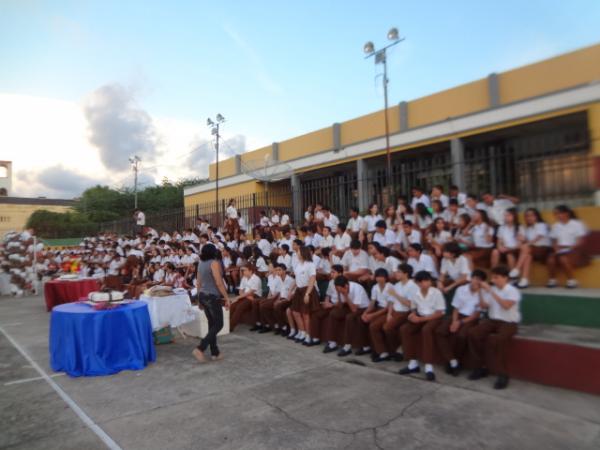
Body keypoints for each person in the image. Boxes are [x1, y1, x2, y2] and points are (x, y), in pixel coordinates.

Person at [468, 265, 521, 390]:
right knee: (473, 333)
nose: (493, 280)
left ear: (505, 278)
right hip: (492, 321)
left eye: (496, 277)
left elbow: (506, 306)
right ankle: (480, 367)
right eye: (493, 277)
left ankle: (503, 374)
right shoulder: (492, 289)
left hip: (509, 322)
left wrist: (490, 291)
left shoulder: (512, 290)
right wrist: (480, 290)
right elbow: (484, 306)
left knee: (498, 340)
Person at [435, 270, 485, 376]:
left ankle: (455, 361)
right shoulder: (461, 289)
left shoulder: (483, 293)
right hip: (457, 315)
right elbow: (456, 308)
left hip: (470, 319)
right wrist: (454, 321)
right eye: (474, 278)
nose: (475, 281)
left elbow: (476, 315)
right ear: (471, 278)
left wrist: (460, 322)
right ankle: (452, 361)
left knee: (462, 336)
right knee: (440, 331)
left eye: (479, 280)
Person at [398, 271, 446, 381]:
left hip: (435, 318)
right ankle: (413, 363)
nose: (426, 283)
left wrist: (421, 319)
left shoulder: (436, 292)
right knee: (405, 329)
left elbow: (440, 312)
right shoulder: (416, 293)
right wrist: (413, 314)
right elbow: (414, 307)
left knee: (426, 330)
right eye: (423, 281)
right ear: (418, 283)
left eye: (428, 280)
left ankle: (429, 366)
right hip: (421, 316)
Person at [192, 244, 230, 363]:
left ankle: (215, 352)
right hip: (212, 296)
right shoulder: (214, 263)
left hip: (203, 295)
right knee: (218, 324)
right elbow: (219, 282)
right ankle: (201, 348)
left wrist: (198, 298)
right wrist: (226, 297)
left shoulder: (200, 263)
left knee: (212, 324)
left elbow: (198, 282)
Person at [547, 205, 589, 288]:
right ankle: (552, 280)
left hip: (575, 250)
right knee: (550, 259)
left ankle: (572, 281)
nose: (558, 216)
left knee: (563, 258)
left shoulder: (577, 224)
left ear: (567, 213)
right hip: (561, 250)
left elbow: (580, 240)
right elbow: (554, 240)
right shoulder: (555, 226)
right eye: (556, 214)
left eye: (560, 213)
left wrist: (571, 247)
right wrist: (555, 248)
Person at [330, 276, 371, 357]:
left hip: (362, 308)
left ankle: (347, 346)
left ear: (346, 286)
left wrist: (345, 295)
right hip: (350, 305)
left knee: (350, 317)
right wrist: (339, 294)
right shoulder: (341, 289)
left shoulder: (357, 288)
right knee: (334, 313)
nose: (339, 291)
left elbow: (354, 310)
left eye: (339, 289)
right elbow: (340, 306)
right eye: (337, 289)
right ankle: (333, 342)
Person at [384, 264, 418, 361]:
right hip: (394, 311)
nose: (396, 274)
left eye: (399, 272)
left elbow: (410, 304)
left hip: (405, 312)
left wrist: (396, 294)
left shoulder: (413, 286)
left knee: (387, 327)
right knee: (381, 326)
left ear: (406, 273)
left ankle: (398, 349)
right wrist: (389, 314)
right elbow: (391, 301)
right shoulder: (397, 285)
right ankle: (393, 350)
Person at [512, 208, 552, 289]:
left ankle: (517, 269)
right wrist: (523, 239)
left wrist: (527, 243)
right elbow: (529, 241)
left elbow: (538, 237)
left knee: (526, 248)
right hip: (533, 249)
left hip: (544, 249)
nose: (529, 218)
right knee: (528, 256)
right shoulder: (528, 228)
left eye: (531, 215)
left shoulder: (541, 224)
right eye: (527, 216)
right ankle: (524, 279)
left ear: (536, 216)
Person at [288, 246, 320, 345]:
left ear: (303, 253)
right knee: (296, 312)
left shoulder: (310, 264)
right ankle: (302, 332)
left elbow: (312, 279)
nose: (297, 253)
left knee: (306, 314)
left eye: (298, 251)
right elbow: (296, 279)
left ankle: (308, 335)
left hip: (307, 289)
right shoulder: (298, 265)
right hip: (299, 290)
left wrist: (307, 293)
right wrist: (290, 290)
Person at [364, 268, 395, 362]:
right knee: (366, 322)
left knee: (374, 326)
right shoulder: (375, 287)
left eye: (381, 276)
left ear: (386, 277)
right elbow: (372, 303)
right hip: (379, 308)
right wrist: (365, 313)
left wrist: (373, 315)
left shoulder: (390, 287)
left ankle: (383, 352)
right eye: (377, 276)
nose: (379, 279)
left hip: (389, 310)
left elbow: (390, 304)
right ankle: (374, 348)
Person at [229, 264, 262, 331]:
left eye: (245, 270)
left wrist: (239, 297)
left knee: (239, 307)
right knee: (232, 306)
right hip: (245, 296)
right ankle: (226, 324)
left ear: (250, 271)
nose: (243, 272)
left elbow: (251, 292)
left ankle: (230, 327)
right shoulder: (244, 278)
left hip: (254, 296)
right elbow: (240, 290)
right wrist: (240, 296)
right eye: (243, 270)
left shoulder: (256, 279)